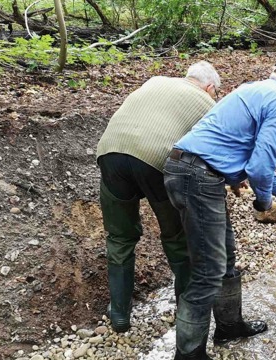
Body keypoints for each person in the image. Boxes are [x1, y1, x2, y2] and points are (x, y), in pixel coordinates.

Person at [164, 58, 276, 360]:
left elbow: (251, 157)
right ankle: (188, 355)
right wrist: (263, 201)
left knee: (225, 257)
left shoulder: (253, 89)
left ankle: (229, 326)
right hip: (199, 176)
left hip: (184, 169)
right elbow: (260, 168)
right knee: (208, 272)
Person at [95, 61, 220, 333]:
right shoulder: (207, 103)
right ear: (210, 87)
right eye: (215, 92)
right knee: (177, 237)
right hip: (156, 162)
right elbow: (211, 152)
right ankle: (186, 310)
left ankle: (119, 314)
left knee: (119, 237)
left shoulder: (155, 81)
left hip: (110, 153)